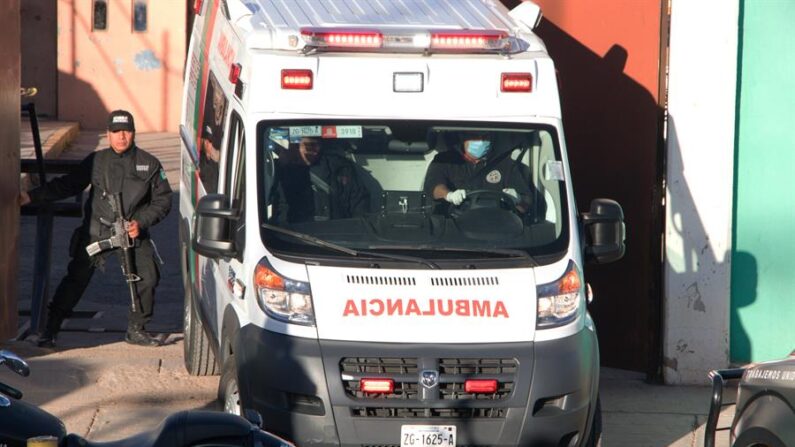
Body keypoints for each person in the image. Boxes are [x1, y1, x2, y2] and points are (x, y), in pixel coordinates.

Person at [19, 110, 173, 347]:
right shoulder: (97, 161)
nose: (121, 137)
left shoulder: (149, 164)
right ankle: (50, 329)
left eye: (126, 131)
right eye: (116, 132)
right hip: (96, 232)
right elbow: (67, 185)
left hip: (132, 233)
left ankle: (137, 329)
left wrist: (140, 222)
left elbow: (163, 200)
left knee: (148, 278)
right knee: (76, 280)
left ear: (133, 133)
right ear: (108, 134)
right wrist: (31, 196)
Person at [423, 132, 532, 212]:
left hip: (496, 227)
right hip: (453, 226)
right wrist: (449, 195)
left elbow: (526, 205)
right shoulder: (444, 160)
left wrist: (518, 198)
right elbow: (433, 187)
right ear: (463, 137)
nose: (480, 141)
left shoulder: (506, 164)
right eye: (475, 136)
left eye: (485, 137)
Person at [273, 137, 369, 223]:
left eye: (314, 145)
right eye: (307, 146)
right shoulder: (279, 174)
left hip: (337, 236)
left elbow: (358, 205)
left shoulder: (340, 169)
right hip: (294, 235)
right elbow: (279, 209)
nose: (312, 151)